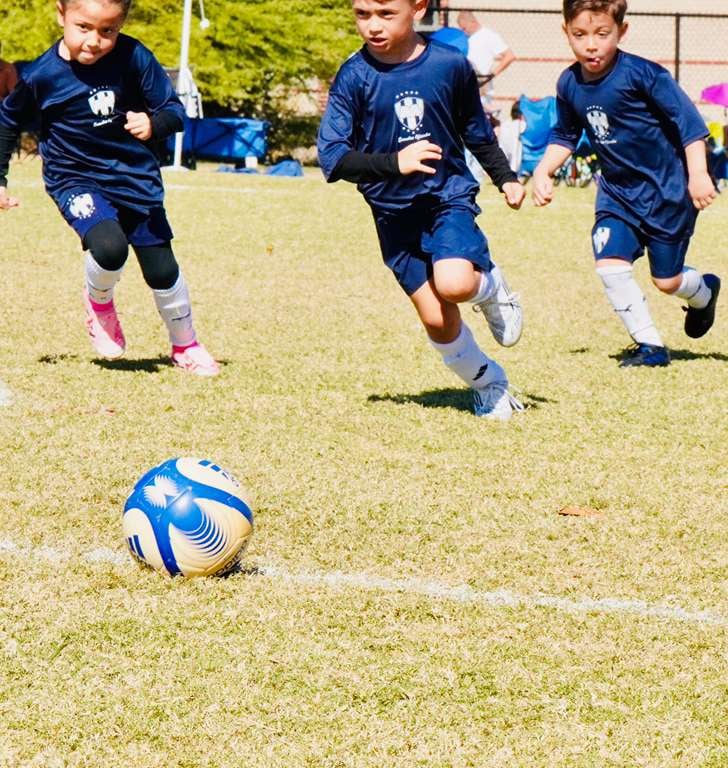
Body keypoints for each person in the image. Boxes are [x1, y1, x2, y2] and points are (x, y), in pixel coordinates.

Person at [318, 0, 527, 420]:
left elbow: (475, 130)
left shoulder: (449, 64)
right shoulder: (353, 76)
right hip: (391, 212)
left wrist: (505, 177)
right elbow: (333, 158)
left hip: (445, 197)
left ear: (417, 7)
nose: (373, 26)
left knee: (454, 283)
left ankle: (491, 288)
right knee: (437, 320)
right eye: (362, 14)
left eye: (385, 14)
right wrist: (394, 163)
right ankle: (490, 385)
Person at [0, 0, 219, 376]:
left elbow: (173, 110)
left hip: (134, 178)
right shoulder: (40, 75)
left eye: (108, 31)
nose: (94, 40)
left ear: (121, 24)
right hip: (74, 178)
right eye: (83, 27)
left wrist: (153, 124)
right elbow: (7, 120)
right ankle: (99, 304)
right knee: (110, 247)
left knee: (162, 270)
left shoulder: (134, 57)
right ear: (61, 15)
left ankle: (185, 344)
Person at [532, 0, 720, 367]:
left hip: (668, 192)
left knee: (667, 281)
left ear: (622, 31)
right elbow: (565, 135)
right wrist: (543, 171)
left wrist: (698, 174)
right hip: (617, 193)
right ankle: (650, 346)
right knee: (610, 264)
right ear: (566, 32)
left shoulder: (644, 75)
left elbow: (690, 125)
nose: (591, 45)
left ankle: (704, 292)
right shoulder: (568, 83)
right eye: (580, 35)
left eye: (602, 34)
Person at [456, 11, 515, 105]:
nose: (463, 31)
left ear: (473, 22)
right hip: (466, 86)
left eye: (464, 28)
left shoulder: (489, 35)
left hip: (481, 88)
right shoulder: (465, 38)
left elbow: (509, 56)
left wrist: (490, 76)